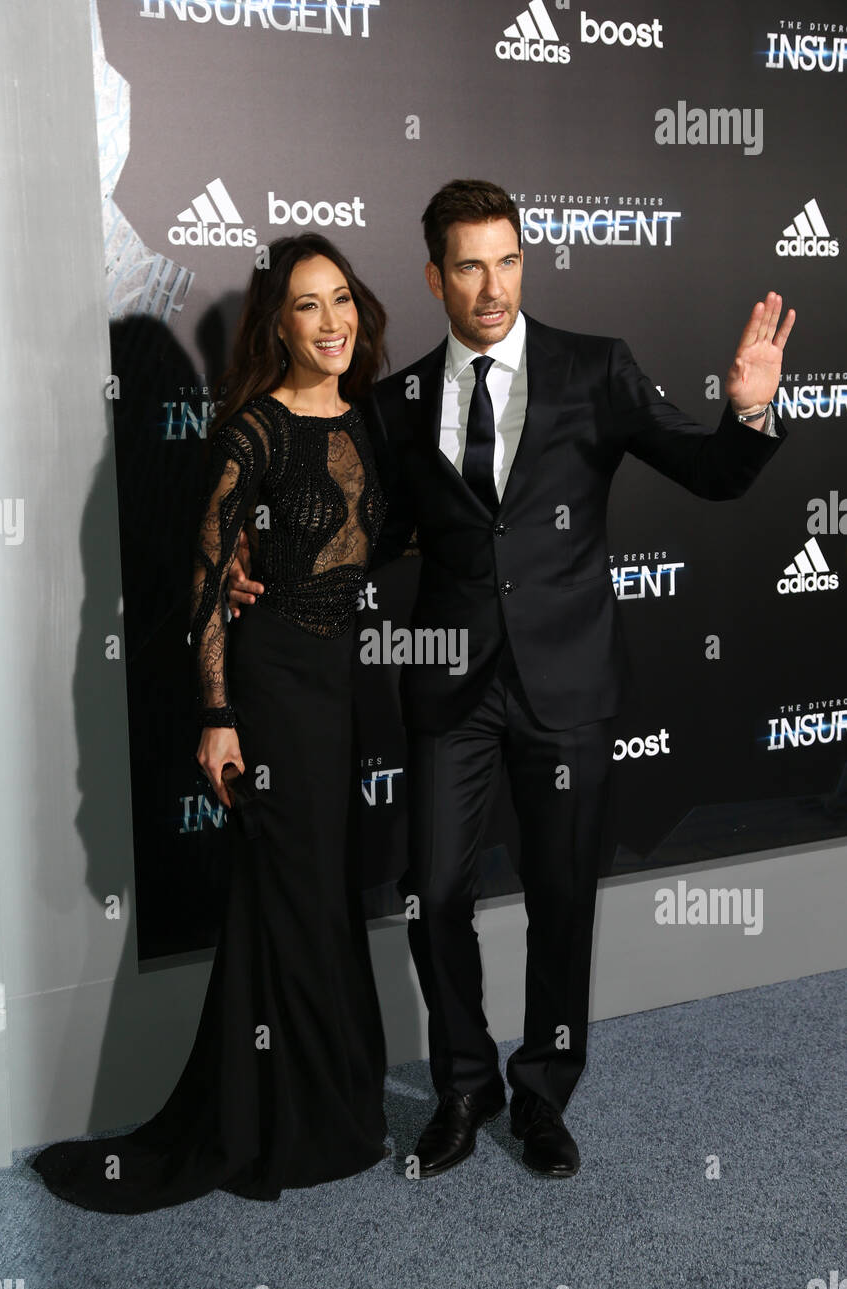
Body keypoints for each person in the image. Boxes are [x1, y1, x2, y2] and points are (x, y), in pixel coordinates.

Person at [228, 179, 794, 1183]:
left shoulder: (593, 368)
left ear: (524, 261)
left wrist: (747, 416)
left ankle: (541, 1090)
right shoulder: (396, 402)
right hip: (450, 687)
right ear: (434, 276)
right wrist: (259, 558)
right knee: (434, 890)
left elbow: (704, 473)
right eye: (469, 266)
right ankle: (461, 1087)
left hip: (568, 686)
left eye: (507, 261)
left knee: (562, 897)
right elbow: (374, 537)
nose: (491, 288)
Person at [31, 234, 390, 1212]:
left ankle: (326, 1105)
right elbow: (204, 580)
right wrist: (220, 716)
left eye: (341, 301)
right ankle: (284, 1122)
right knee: (286, 899)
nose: (330, 322)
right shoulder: (252, 432)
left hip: (339, 689)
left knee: (315, 901)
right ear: (277, 323)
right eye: (308, 306)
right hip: (271, 691)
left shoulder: (366, 420)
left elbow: (377, 539)